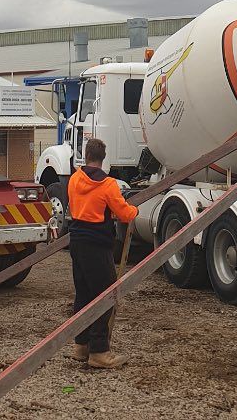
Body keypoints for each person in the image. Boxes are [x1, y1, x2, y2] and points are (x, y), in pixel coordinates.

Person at [67, 137, 138, 370]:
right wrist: (134, 209)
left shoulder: (74, 179)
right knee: (105, 296)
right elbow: (124, 214)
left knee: (84, 293)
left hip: (76, 242)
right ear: (103, 158)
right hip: (97, 245)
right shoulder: (108, 185)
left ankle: (81, 344)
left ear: (86, 156)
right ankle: (99, 351)